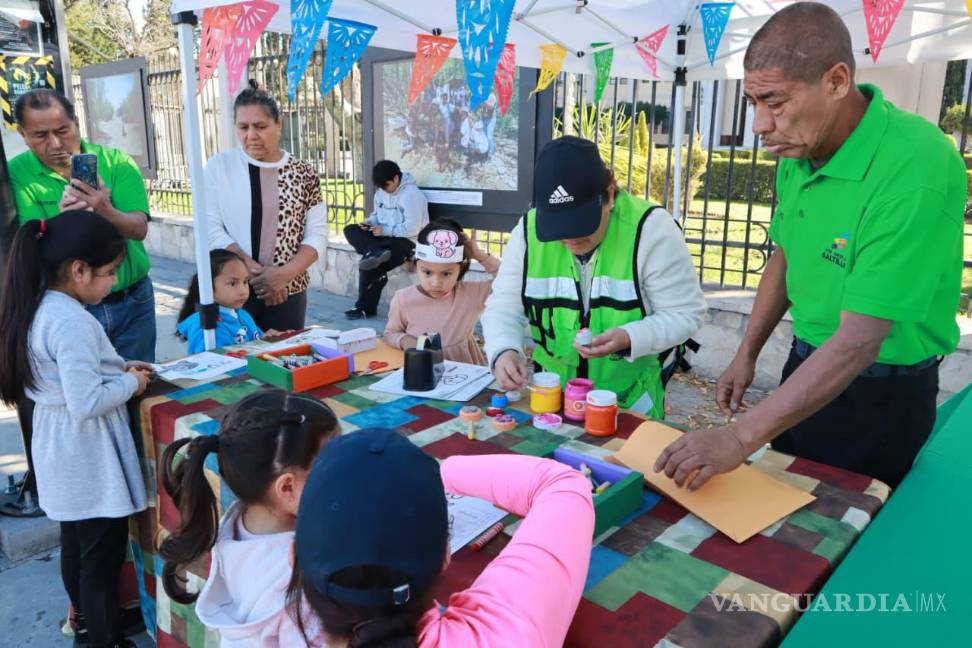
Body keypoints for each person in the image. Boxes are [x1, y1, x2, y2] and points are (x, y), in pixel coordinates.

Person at [654, 2, 966, 491]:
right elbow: (786, 252)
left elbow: (862, 340)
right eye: (753, 102)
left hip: (881, 394)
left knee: (838, 544)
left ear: (837, 82)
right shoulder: (800, 149)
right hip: (806, 367)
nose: (759, 125)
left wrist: (738, 439)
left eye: (775, 103)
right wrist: (747, 352)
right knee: (776, 510)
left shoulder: (916, 166)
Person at [288, 428, 594, 647]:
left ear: (292, 558)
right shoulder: (507, 631)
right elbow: (561, 483)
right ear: (446, 554)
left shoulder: (263, 628)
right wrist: (434, 473)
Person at [0, 210, 152, 648]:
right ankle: (103, 639)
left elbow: (71, 373)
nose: (111, 284)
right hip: (85, 453)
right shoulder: (70, 321)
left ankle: (85, 624)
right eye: (108, 274)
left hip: (58, 447)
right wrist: (132, 382)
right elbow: (86, 402)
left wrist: (118, 365)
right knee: (100, 560)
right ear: (78, 270)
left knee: (76, 546)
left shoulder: (38, 305)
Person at [482, 136, 706, 419]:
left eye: (580, 223)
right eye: (558, 226)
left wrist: (629, 337)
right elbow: (504, 306)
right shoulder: (528, 232)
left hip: (629, 402)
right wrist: (504, 350)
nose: (569, 238)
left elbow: (685, 314)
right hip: (552, 401)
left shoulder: (651, 229)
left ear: (609, 195)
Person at [158, 389, 339, 646]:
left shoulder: (234, 524)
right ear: (287, 487)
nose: (346, 470)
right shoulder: (305, 576)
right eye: (333, 461)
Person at [8, 89, 156, 362]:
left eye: (63, 130)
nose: (55, 144)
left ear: (76, 122)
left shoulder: (116, 163)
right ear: (22, 134)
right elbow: (31, 243)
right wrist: (64, 223)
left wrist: (105, 209)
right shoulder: (16, 174)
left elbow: (139, 229)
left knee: (141, 385)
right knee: (86, 391)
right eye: (40, 136)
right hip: (71, 309)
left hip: (133, 300)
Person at [205, 80, 328, 331]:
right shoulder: (220, 167)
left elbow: (317, 234)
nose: (251, 135)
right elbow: (210, 226)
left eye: (260, 126)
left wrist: (284, 275)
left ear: (279, 124)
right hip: (232, 293)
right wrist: (254, 273)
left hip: (289, 293)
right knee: (236, 364)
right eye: (243, 127)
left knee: (284, 361)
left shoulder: (304, 173)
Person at [384, 219, 500, 364]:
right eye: (427, 272)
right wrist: (407, 342)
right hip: (420, 369)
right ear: (416, 266)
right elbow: (391, 333)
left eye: (446, 274)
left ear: (460, 269)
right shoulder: (403, 299)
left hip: (465, 370)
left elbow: (511, 281)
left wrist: (479, 255)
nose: (436, 283)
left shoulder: (472, 294)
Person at [342, 160, 429, 320]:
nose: (384, 189)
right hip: (382, 238)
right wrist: (368, 223)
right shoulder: (381, 192)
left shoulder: (411, 195)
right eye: (381, 187)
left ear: (396, 178)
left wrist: (386, 230)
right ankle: (373, 251)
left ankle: (364, 308)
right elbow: (377, 215)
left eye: (386, 185)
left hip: (406, 242)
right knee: (351, 230)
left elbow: (413, 228)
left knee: (371, 263)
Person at [176, 249, 286, 353]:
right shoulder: (204, 325)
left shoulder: (242, 315)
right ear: (208, 287)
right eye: (233, 283)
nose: (243, 291)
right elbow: (215, 364)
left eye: (245, 282)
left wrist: (267, 339)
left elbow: (255, 342)